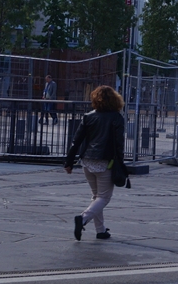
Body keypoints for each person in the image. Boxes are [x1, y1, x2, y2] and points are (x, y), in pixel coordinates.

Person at [64, 85, 125, 241]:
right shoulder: (117, 118)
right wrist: (121, 164)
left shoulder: (88, 116)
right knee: (104, 198)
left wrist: (69, 162)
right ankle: (83, 218)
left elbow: (76, 141)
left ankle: (100, 230)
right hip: (105, 161)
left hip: (87, 160)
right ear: (115, 99)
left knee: (96, 196)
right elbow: (119, 144)